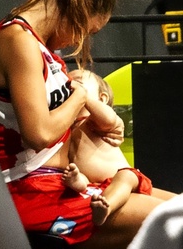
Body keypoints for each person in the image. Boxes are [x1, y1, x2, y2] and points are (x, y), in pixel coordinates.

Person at [0, 0, 173, 247]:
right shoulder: (18, 42)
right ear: (78, 6)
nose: (76, 41)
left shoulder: (43, 49)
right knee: (176, 225)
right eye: (86, 31)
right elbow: (39, 134)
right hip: (28, 192)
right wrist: (81, 97)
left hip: (61, 185)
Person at [62, 69, 176, 226]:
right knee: (78, 179)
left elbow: (108, 120)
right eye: (67, 82)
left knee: (125, 177)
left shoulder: (94, 121)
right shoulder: (65, 128)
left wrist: (83, 97)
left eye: (79, 81)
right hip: (93, 186)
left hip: (124, 177)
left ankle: (106, 208)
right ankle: (95, 199)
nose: (71, 84)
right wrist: (76, 180)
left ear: (102, 98)